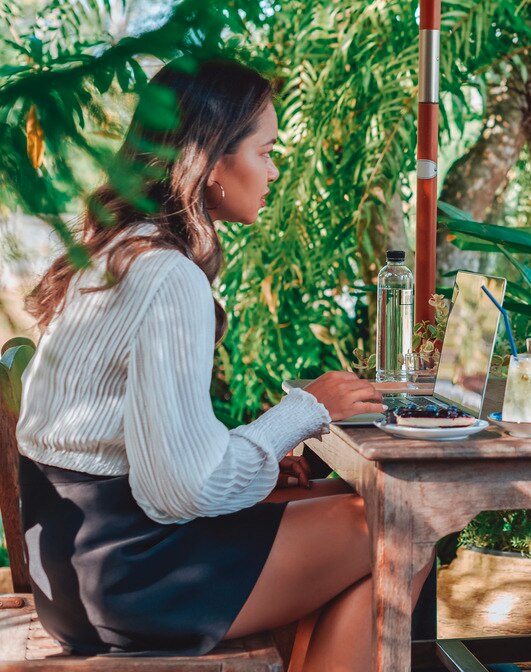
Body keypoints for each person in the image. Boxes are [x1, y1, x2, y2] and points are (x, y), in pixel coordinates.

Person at [15, 58, 420, 672]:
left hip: (76, 568)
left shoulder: (120, 251)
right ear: (209, 161)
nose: (275, 170)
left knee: (348, 510)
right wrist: (304, 412)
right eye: (266, 151)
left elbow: (152, 450)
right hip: (128, 574)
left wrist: (254, 462)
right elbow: (182, 486)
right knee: (399, 528)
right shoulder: (166, 274)